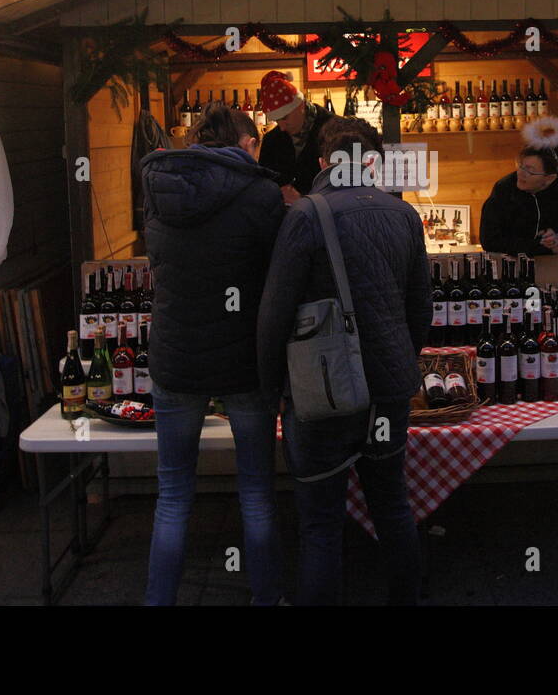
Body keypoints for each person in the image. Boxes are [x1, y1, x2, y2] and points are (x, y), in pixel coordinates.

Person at [256, 116, 431, 605]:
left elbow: (275, 313)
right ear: (372, 161)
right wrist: (399, 359)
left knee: (320, 524)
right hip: (389, 390)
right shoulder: (404, 215)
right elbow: (421, 309)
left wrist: (270, 390)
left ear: (321, 162)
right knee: (393, 505)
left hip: (324, 390)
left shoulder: (307, 215)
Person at [140, 101, 287, 606]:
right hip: (244, 358)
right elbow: (276, 275)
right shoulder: (263, 193)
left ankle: (159, 601)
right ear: (247, 145)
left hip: (176, 356)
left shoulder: (160, 187)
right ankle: (266, 598)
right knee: (256, 493)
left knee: (174, 494)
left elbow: (160, 260)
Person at [479, 117, 558, 255]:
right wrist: (536, 245)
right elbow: (489, 240)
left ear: (549, 178)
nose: (521, 173)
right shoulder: (504, 190)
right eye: (521, 166)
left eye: (529, 170)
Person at [257, 70, 331, 204]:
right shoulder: (271, 140)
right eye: (277, 120)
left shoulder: (333, 132)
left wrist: (303, 201)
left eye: (284, 118)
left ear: (300, 105)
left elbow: (344, 189)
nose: (282, 127)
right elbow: (263, 186)